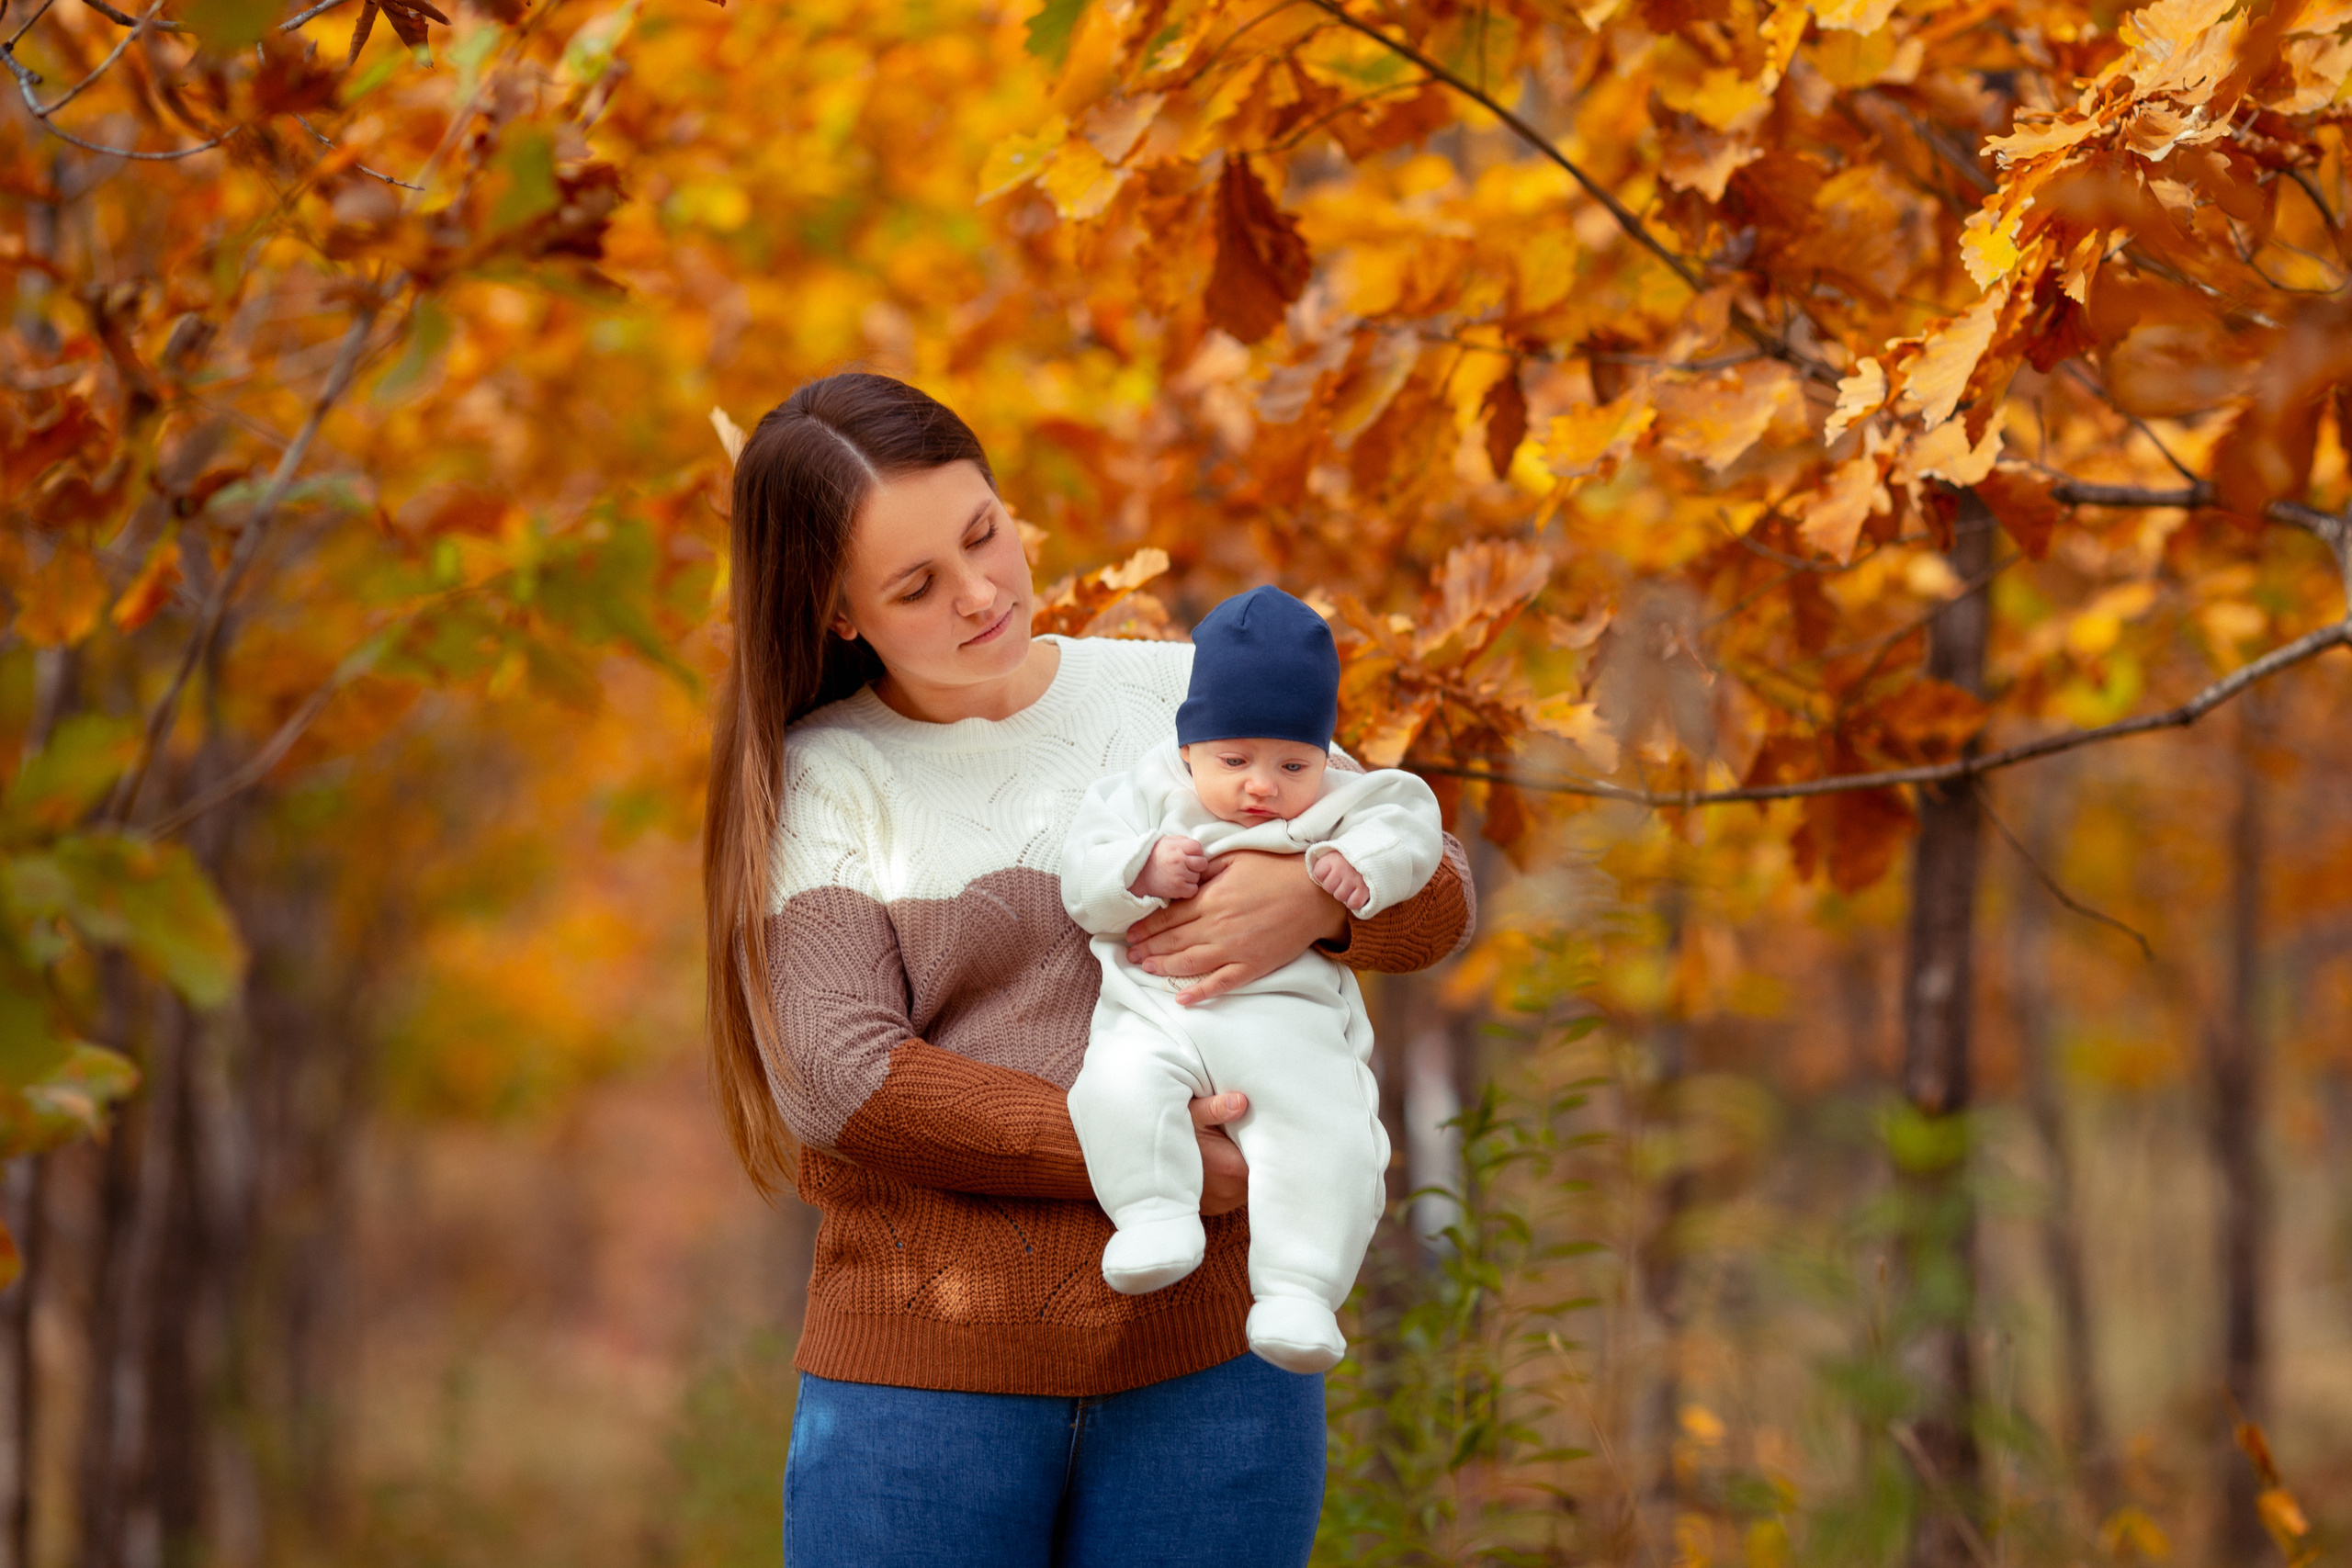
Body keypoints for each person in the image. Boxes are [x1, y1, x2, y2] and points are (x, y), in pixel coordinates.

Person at [701, 372, 1475, 1568]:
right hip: (924, 1391)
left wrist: (1314, 903)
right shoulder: (824, 775)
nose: (980, 592)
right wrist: (1150, 1153)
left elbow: (1436, 889)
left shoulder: (1173, 693)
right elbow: (842, 1078)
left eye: (983, 534)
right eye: (916, 586)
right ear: (838, 613)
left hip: (1215, 1373)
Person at [1060, 586, 1445, 1374]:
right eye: (1234, 760)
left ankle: (1301, 1290)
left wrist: (1358, 867)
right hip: (1157, 1010)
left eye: (1291, 763)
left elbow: (1411, 815)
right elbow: (1083, 876)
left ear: (1323, 755)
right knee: (1115, 1086)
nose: (1262, 786)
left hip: (1286, 1024)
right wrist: (1138, 868)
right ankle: (1153, 1212)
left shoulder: (1338, 796)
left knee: (1327, 1137)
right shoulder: (1145, 792)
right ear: (1190, 748)